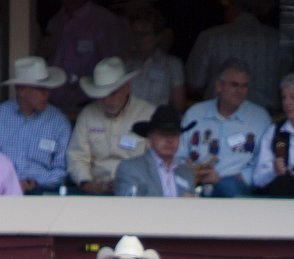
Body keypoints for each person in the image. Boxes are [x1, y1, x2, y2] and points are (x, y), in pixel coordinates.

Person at [177, 58, 270, 197]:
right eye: (234, 85)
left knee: (229, 187)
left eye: (244, 86)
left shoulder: (259, 118)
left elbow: (264, 162)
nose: (240, 91)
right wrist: (189, 169)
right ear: (219, 86)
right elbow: (178, 154)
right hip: (196, 183)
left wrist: (241, 178)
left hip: (236, 188)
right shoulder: (195, 113)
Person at [66, 57, 155, 195]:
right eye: (101, 95)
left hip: (138, 192)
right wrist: (87, 183)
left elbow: (156, 161)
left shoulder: (148, 114)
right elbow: (77, 156)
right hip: (95, 192)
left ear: (127, 87)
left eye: (112, 93)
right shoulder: (88, 114)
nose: (106, 100)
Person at [185, 0, 282, 112]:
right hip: (269, 116)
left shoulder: (210, 37)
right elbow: (285, 84)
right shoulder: (278, 40)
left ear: (234, 6)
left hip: (219, 117)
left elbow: (194, 83)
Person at [42, 0, 128, 118]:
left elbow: (113, 65)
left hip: (92, 106)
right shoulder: (55, 21)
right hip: (55, 105)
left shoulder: (104, 20)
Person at [0, 57, 71, 194]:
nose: (46, 94)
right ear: (20, 89)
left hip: (41, 193)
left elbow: (62, 170)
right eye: (40, 89)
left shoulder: (59, 123)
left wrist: (33, 183)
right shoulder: (1, 115)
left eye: (48, 89)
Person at [114, 104, 196, 196]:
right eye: (163, 134)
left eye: (174, 134)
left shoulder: (186, 172)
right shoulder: (131, 169)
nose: (170, 140)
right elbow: (127, 208)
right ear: (150, 136)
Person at [126, 9, 185, 112]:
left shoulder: (172, 65)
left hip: (157, 123)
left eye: (144, 34)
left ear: (158, 37)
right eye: (135, 33)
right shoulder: (125, 62)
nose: (139, 38)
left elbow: (178, 106)